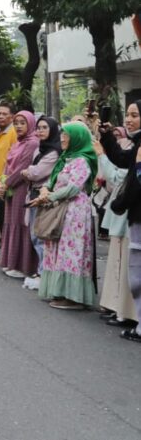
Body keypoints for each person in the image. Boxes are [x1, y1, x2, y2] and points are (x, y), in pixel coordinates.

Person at [29, 122, 97, 310]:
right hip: (61, 208)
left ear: (77, 138)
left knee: (71, 251)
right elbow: (53, 180)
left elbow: (73, 188)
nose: (62, 139)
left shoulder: (82, 160)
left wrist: (49, 197)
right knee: (57, 249)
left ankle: (73, 297)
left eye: (66, 135)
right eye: (62, 135)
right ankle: (59, 291)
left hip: (75, 212)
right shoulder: (66, 158)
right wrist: (45, 190)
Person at [100, 100, 141, 341]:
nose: (129, 119)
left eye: (135, 115)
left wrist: (120, 204)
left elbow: (137, 182)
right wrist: (107, 137)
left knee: (137, 273)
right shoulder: (137, 143)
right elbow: (122, 158)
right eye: (128, 114)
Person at [93, 128, 135, 326]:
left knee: (125, 263)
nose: (129, 121)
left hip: (128, 213)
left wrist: (102, 155)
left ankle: (124, 311)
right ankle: (115, 306)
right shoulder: (130, 147)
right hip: (121, 211)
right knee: (116, 261)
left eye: (134, 115)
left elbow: (118, 177)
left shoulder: (134, 150)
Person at [0, 111, 41, 278]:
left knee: (20, 224)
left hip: (22, 188)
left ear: (30, 124)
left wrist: (6, 183)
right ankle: (11, 262)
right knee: (10, 222)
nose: (19, 126)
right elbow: (8, 166)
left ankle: (23, 266)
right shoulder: (18, 142)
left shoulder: (32, 143)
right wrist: (2, 183)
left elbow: (23, 167)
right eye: (16, 123)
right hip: (10, 188)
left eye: (23, 123)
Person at [20, 116, 62, 290]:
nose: (41, 131)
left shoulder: (54, 152)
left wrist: (27, 171)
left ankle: (43, 273)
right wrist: (29, 171)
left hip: (43, 197)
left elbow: (36, 173)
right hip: (34, 193)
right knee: (34, 234)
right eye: (38, 127)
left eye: (45, 127)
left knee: (40, 235)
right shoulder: (40, 149)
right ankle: (41, 271)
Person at [0, 100, 16, 235]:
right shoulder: (0, 133)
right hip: (0, 183)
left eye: (4, 114)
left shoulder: (13, 133)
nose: (0, 116)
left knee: (6, 221)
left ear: (12, 117)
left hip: (9, 185)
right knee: (2, 220)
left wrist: (5, 181)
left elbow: (14, 161)